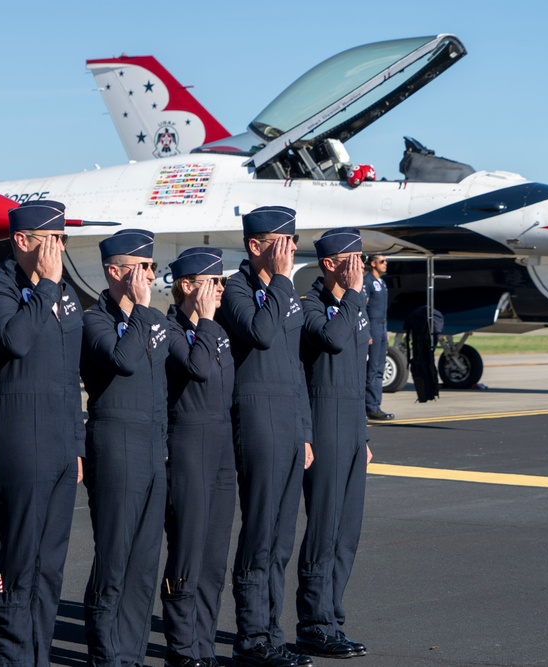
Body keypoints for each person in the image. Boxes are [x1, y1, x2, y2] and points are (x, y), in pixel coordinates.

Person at [0, 200, 85, 666]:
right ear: (22, 241)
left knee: (51, 565)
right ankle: (15, 658)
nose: (58, 249)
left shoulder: (65, 293)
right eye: (51, 239)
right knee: (22, 560)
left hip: (60, 437)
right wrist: (47, 287)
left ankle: (38, 654)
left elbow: (71, 370)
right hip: (20, 431)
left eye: (62, 240)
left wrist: (77, 444)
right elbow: (14, 341)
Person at [218, 206, 313, 667]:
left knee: (280, 539)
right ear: (256, 246)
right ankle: (252, 637)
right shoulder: (235, 290)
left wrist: (305, 431)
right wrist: (279, 281)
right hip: (255, 420)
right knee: (259, 534)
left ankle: (274, 631)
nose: (292, 250)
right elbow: (259, 332)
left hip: (289, 425)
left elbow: (295, 367)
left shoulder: (284, 291)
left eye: (293, 242)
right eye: (284, 242)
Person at [80, 229, 169, 667]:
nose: (149, 276)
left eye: (151, 268)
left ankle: (131, 653)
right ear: (114, 272)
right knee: (114, 558)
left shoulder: (154, 319)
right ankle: (105, 652)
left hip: (153, 447)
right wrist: (142, 310)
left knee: (143, 563)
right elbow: (124, 360)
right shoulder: (94, 320)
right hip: (116, 445)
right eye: (141, 268)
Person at [295, 228, 373, 659]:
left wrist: (364, 433)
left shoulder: (355, 307)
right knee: (323, 530)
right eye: (352, 258)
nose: (359, 264)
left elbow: (358, 374)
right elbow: (334, 338)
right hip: (322, 425)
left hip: (351, 428)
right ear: (329, 264)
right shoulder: (310, 308)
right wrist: (354, 295)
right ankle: (313, 622)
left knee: (347, 532)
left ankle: (332, 617)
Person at [161, 248, 236, 667]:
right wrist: (205, 320)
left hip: (221, 447)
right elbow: (198, 368)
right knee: (188, 551)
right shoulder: (170, 328)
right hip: (188, 445)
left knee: (212, 557)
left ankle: (204, 646)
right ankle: (183, 648)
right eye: (214, 282)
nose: (221, 289)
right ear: (188, 286)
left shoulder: (219, 331)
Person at [363, 254, 394, 421]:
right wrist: (367, 331)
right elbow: (364, 307)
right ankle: (369, 407)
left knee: (380, 368)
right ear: (373, 263)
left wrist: (386, 330)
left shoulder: (382, 283)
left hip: (382, 326)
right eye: (382, 261)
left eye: (386, 261)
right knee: (372, 368)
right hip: (373, 326)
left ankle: (376, 404)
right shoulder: (367, 282)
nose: (385, 264)